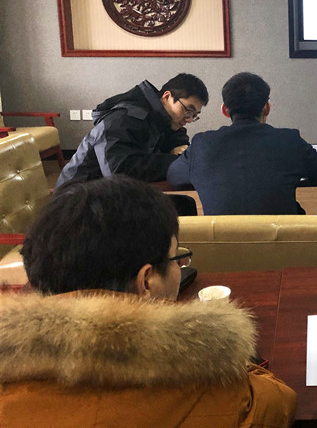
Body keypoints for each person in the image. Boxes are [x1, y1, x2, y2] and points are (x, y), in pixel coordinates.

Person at [0, 176, 296, 427]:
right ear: (146, 281)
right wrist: (232, 350)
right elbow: (279, 403)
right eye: (176, 258)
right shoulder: (219, 389)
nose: (180, 268)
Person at [167, 72, 317, 215]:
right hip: (282, 244)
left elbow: (174, 177)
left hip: (222, 244)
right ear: (267, 108)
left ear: (225, 110)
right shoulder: (290, 140)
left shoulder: (201, 145)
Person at [56, 73, 209, 187]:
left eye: (194, 115)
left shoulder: (160, 116)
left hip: (108, 194)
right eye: (188, 111)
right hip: (77, 199)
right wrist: (180, 161)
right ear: (167, 96)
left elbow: (174, 133)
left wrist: (180, 146)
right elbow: (121, 171)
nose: (189, 119)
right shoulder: (122, 118)